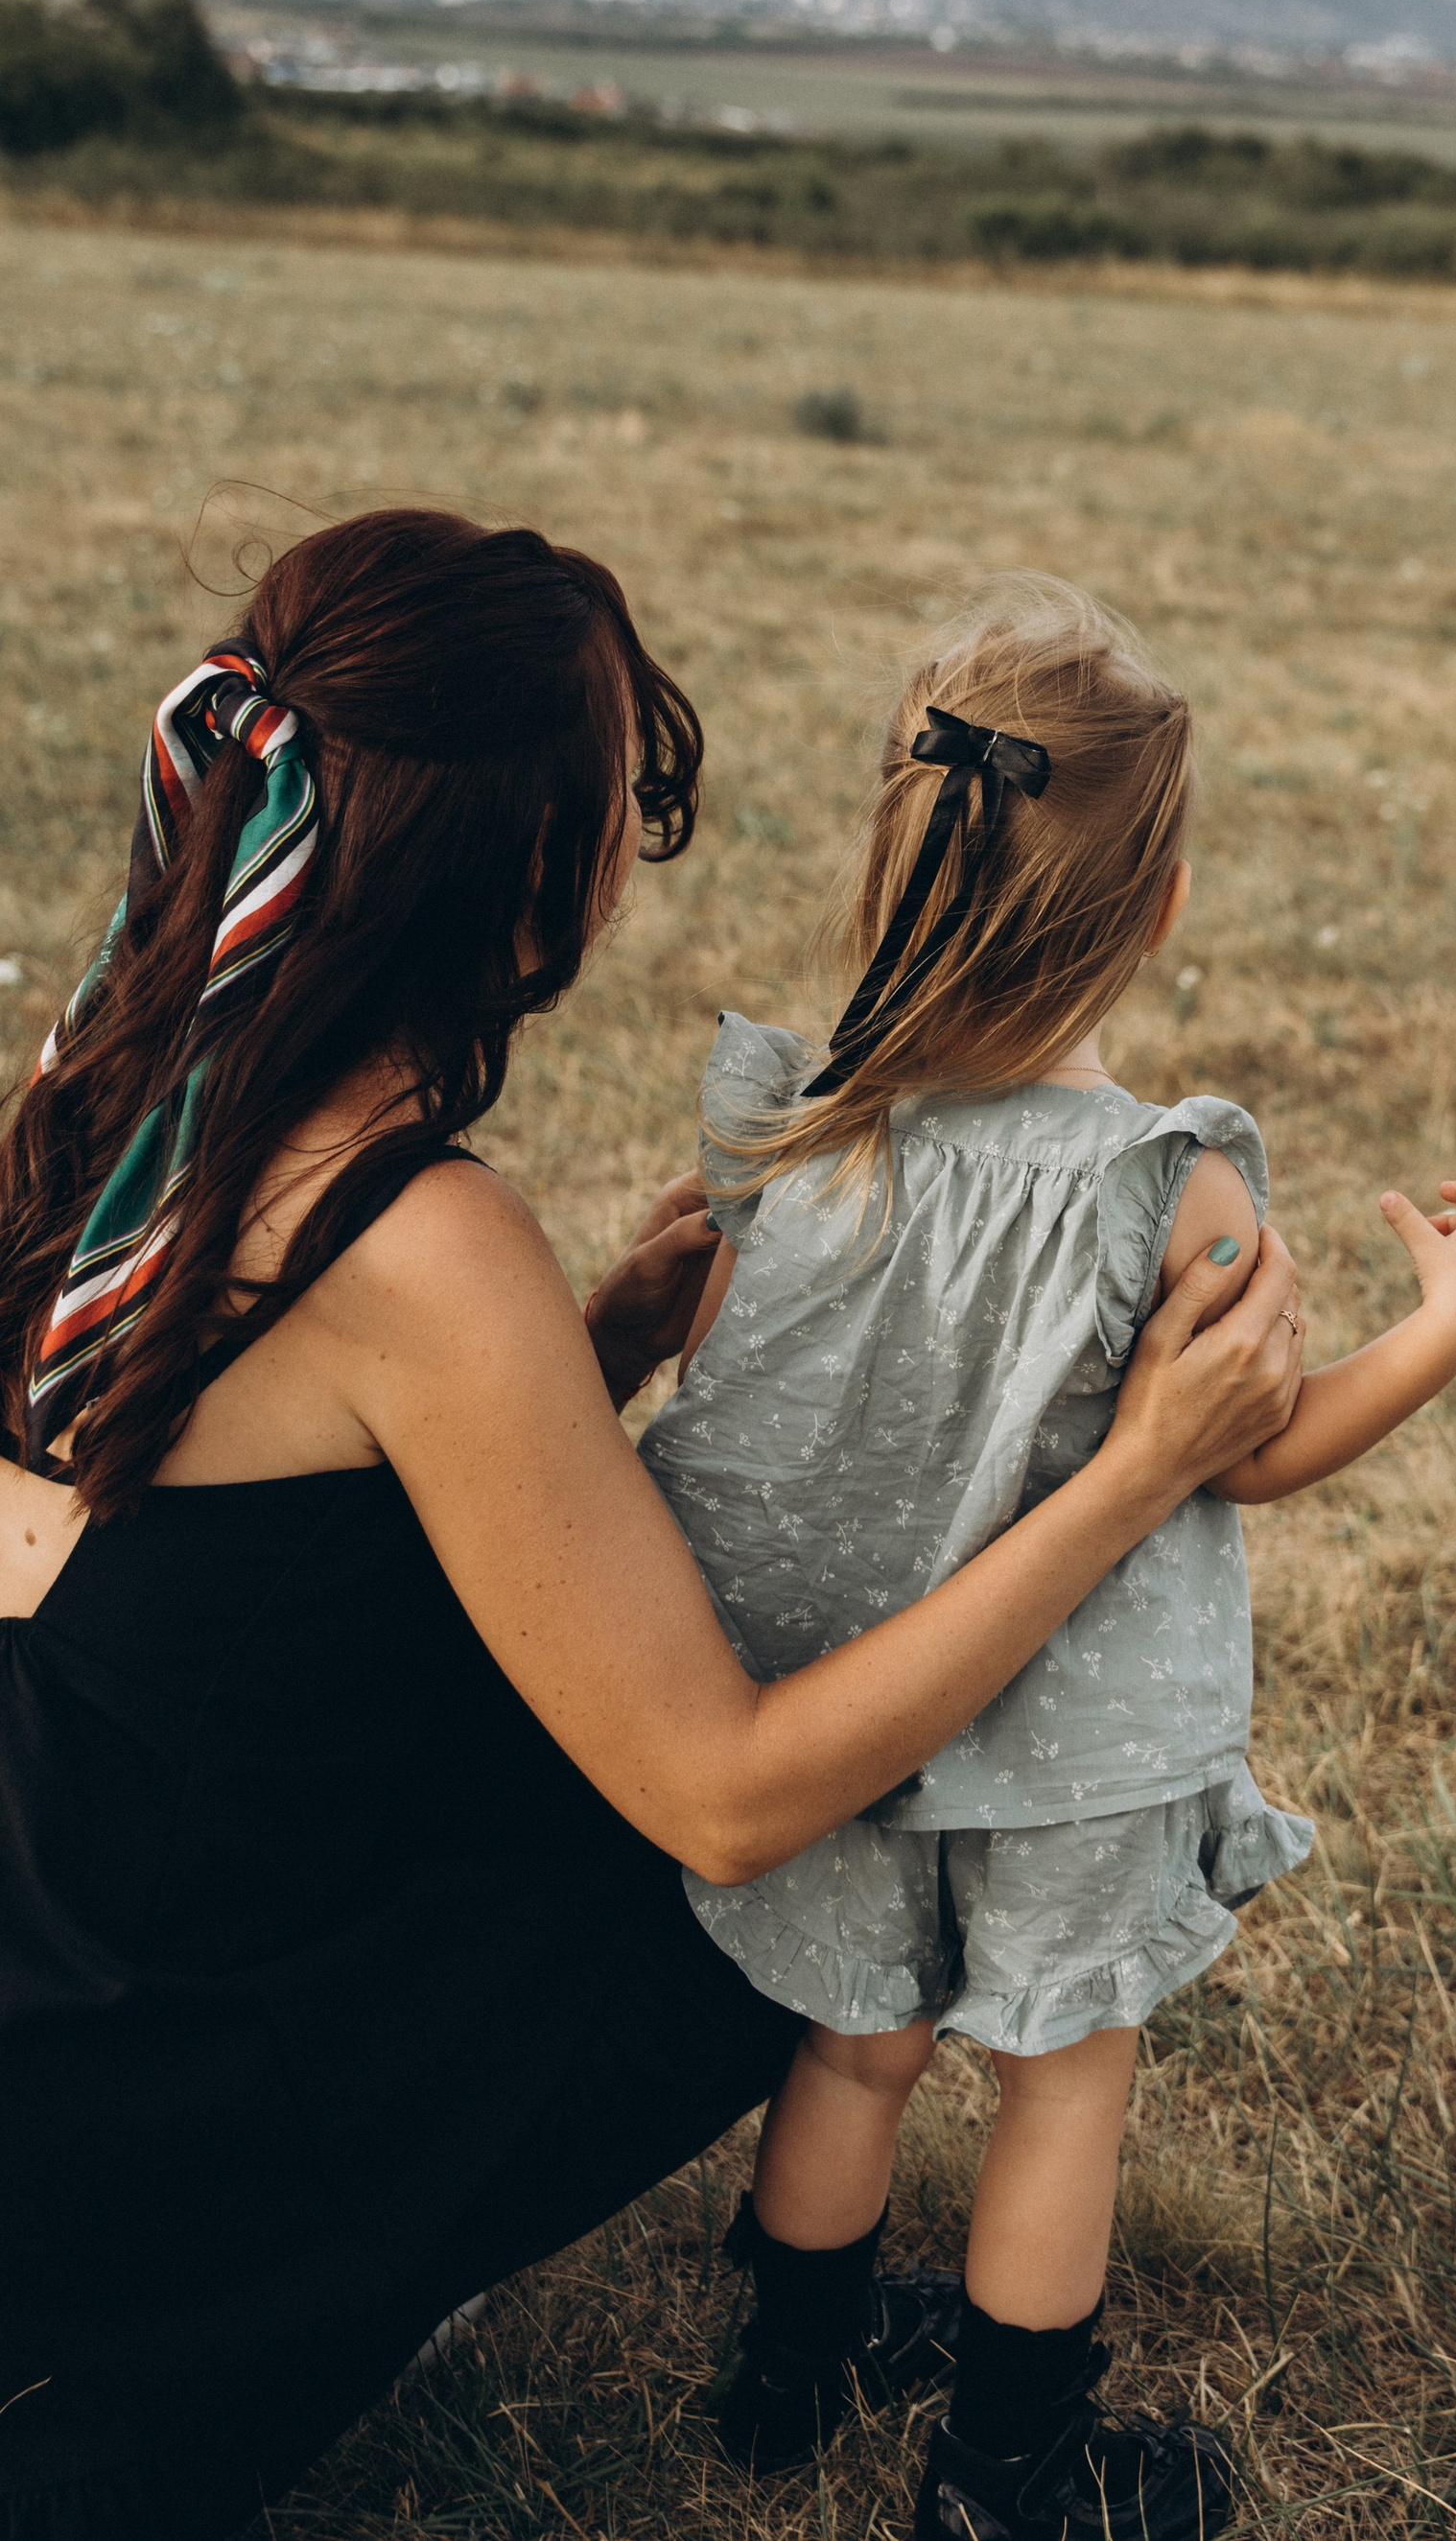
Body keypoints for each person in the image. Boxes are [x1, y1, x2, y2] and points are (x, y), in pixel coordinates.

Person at [0, 510, 1310, 2541]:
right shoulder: (420, 1242)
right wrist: (1131, 1471)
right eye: (637, 800)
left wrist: (592, 1350)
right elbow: (727, 1796)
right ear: (525, 867)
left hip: (47, 1944)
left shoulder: (97, 1087)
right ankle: (326, 2251)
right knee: (789, 1837)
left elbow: (187, 1577)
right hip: (134, 2147)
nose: (636, 850)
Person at [643, 577, 1456, 2541]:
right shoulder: (1163, 1176)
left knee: (851, 2042)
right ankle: (1007, 2469)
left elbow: (740, 1399)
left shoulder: (787, 1125)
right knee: (1061, 2075)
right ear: (1160, 898)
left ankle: (786, 2378)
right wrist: (1442, 1323)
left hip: (839, 1702)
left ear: (897, 850)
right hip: (1078, 1742)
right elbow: (1260, 1445)